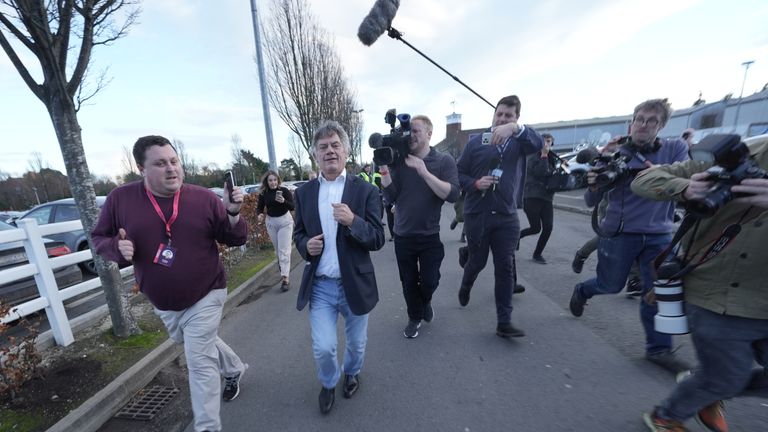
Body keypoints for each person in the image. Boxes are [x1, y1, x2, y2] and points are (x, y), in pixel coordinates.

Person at [91, 135, 248, 432]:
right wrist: (116, 248)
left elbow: (235, 237)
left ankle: (206, 427)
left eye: (174, 162)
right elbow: (99, 237)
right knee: (190, 342)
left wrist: (232, 213)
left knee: (199, 362)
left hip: (207, 291)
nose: (171, 169)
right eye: (160, 164)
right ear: (141, 168)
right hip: (163, 302)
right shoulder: (120, 199)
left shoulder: (203, 198)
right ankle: (234, 368)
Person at [632, 133, 768, 431]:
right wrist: (686, 188)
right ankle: (668, 416)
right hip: (717, 295)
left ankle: (707, 387)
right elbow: (643, 180)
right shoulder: (742, 152)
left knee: (719, 379)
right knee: (724, 376)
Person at [568, 99, 691, 373]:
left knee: (658, 292)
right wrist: (596, 176)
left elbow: (688, 182)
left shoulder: (675, 148)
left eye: (651, 121)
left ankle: (659, 350)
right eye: (639, 119)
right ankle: (582, 290)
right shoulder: (615, 153)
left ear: (662, 126)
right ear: (631, 123)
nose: (643, 125)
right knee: (611, 285)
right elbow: (590, 200)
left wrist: (656, 173)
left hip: (659, 234)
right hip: (619, 233)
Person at [293, 120, 385, 414]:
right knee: (324, 347)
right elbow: (298, 234)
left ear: (346, 151)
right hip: (321, 286)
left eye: (335, 145)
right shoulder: (304, 193)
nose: (330, 151)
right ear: (316, 155)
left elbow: (378, 237)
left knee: (356, 346)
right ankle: (329, 382)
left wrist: (353, 221)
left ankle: (352, 372)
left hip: (355, 283)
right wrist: (306, 245)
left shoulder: (365, 191)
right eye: (323, 147)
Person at [456, 95, 543, 338]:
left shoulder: (520, 142)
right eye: (500, 114)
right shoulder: (476, 143)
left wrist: (515, 130)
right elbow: (458, 173)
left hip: (507, 215)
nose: (502, 118)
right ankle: (466, 282)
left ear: (516, 118)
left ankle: (504, 321)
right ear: (493, 114)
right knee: (478, 261)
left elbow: (538, 143)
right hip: (477, 214)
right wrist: (475, 183)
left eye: (509, 116)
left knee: (505, 265)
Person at [380, 114, 460, 338]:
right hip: (403, 235)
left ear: (429, 134)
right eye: (409, 131)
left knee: (430, 280)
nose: (411, 135)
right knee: (408, 282)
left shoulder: (443, 161)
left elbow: (453, 194)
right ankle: (414, 317)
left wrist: (423, 171)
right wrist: (385, 172)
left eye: (416, 131)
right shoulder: (399, 161)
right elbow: (391, 196)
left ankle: (425, 303)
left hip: (429, 236)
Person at [518, 133, 559, 264]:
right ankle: (517, 237)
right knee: (535, 228)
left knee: (548, 227)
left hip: (547, 198)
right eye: (545, 141)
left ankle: (537, 254)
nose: (547, 144)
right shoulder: (533, 156)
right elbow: (540, 173)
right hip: (532, 197)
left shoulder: (553, 158)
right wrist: (544, 155)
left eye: (549, 141)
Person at [256, 170, 295, 292]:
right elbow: (259, 208)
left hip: (285, 222)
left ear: (278, 180)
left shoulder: (284, 191)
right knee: (278, 251)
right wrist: (260, 215)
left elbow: (293, 206)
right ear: (267, 182)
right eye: (270, 180)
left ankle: (285, 279)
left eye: (274, 180)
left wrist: (283, 201)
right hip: (271, 222)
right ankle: (283, 268)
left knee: (284, 250)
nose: (273, 183)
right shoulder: (264, 194)